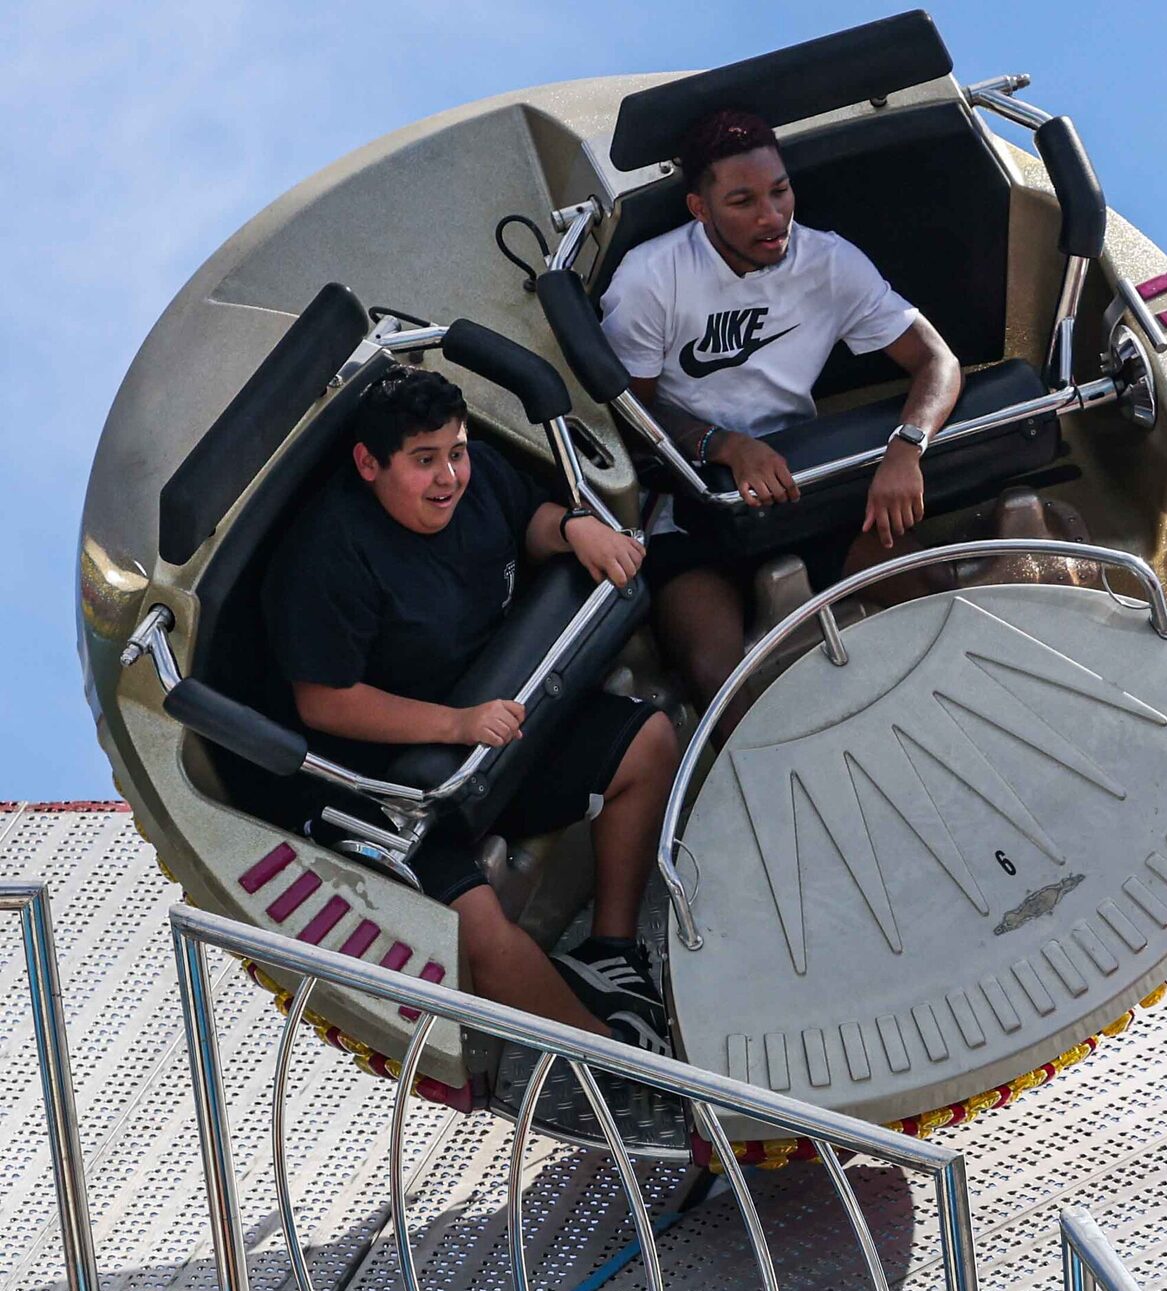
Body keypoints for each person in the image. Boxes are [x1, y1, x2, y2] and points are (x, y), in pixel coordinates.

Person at [263, 366, 680, 1050]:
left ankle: (613, 949)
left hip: (494, 720)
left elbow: (527, 520)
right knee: (477, 931)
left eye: (454, 453)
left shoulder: (475, 472)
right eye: (424, 462)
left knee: (650, 741)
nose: (449, 477)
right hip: (389, 781)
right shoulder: (328, 556)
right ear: (369, 464)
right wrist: (453, 725)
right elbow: (326, 703)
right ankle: (617, 1068)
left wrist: (574, 529)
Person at [600, 107, 966, 701]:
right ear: (700, 208)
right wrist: (725, 446)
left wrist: (908, 446)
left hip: (805, 483)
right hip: (689, 504)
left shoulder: (829, 261)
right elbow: (625, 419)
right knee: (715, 677)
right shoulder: (650, 277)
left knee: (933, 588)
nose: (772, 217)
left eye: (780, 191)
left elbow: (937, 362)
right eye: (744, 202)